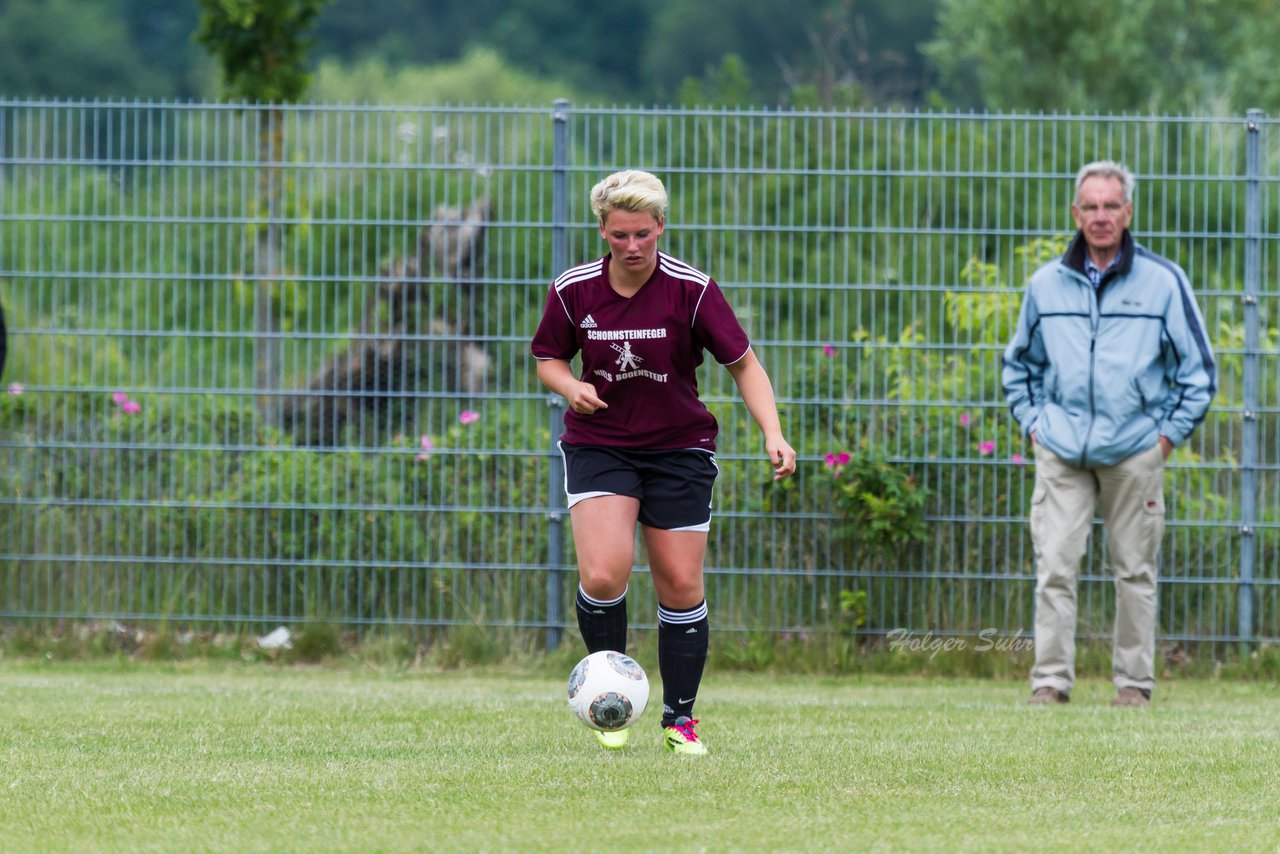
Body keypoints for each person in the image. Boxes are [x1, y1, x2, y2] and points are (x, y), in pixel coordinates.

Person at [531, 170, 796, 753]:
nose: (632, 247)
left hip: (679, 448)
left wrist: (773, 433)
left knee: (679, 584)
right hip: (600, 444)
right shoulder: (574, 289)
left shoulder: (692, 289)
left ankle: (680, 721)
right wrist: (569, 387)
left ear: (661, 229)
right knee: (604, 574)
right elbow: (548, 356)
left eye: (643, 235)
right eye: (620, 234)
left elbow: (744, 365)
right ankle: (610, 703)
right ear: (602, 229)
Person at [1003, 160, 1216, 708]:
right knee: (1054, 567)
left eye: (1111, 206)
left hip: (1135, 451)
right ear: (1075, 213)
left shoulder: (1163, 282)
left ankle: (1133, 686)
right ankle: (1050, 682)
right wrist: (1034, 426)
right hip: (1061, 450)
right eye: (1090, 206)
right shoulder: (1045, 284)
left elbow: (1199, 373)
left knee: (1135, 572)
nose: (1100, 216)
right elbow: (1017, 366)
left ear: (1128, 212)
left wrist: (1163, 440)